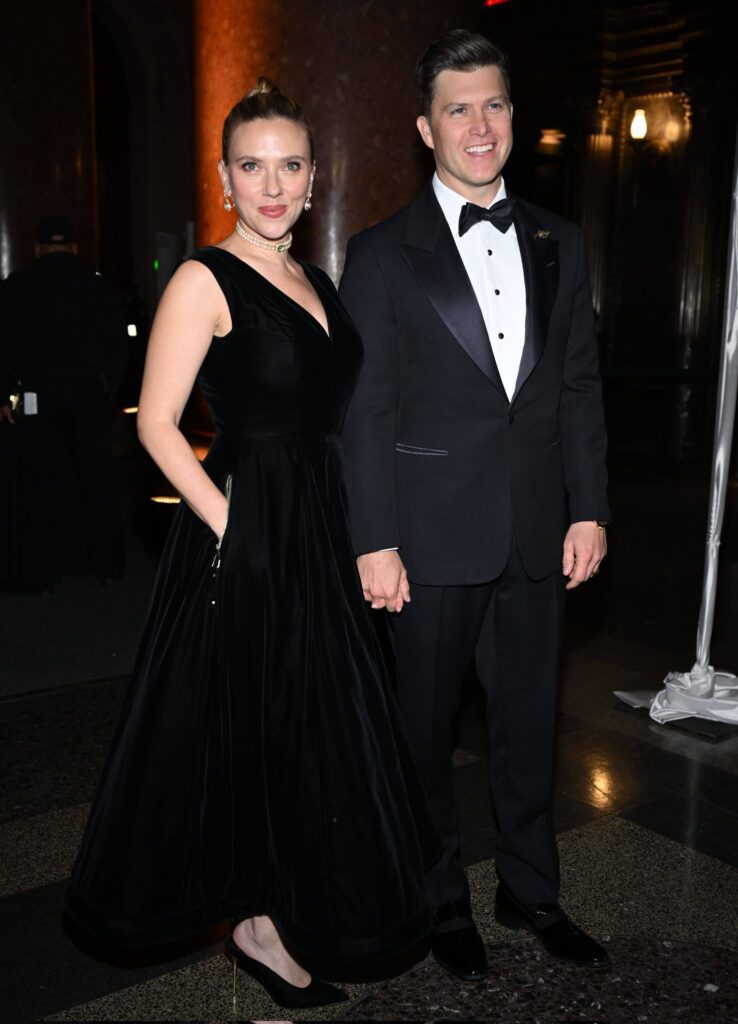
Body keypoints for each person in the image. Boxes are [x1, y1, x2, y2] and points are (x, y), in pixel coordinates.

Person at [64, 79, 437, 1011]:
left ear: (314, 181)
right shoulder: (204, 277)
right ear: (226, 178)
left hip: (321, 523)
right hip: (247, 531)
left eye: (291, 166)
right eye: (251, 166)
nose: (272, 185)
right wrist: (239, 529)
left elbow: (341, 420)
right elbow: (156, 426)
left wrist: (366, 536)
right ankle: (255, 915)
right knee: (246, 727)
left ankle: (282, 907)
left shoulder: (315, 280)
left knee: (318, 724)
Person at [339, 29, 612, 981]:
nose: (480, 124)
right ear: (426, 127)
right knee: (422, 734)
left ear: (512, 115)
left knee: (529, 728)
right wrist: (374, 539)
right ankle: (438, 896)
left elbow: (579, 386)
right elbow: (363, 413)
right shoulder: (379, 256)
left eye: (493, 103)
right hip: (427, 539)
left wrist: (590, 508)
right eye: (458, 107)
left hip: (539, 532)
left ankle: (532, 890)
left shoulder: (560, 242)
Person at [0, 216, 127, 588]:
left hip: (39, 392)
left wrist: (3, 393)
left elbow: (5, 344)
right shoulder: (99, 287)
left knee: (41, 479)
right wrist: (110, 393)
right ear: (74, 247)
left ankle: (48, 567)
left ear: (38, 249)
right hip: (88, 391)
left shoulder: (17, 287)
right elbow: (118, 346)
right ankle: (105, 563)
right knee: (97, 477)